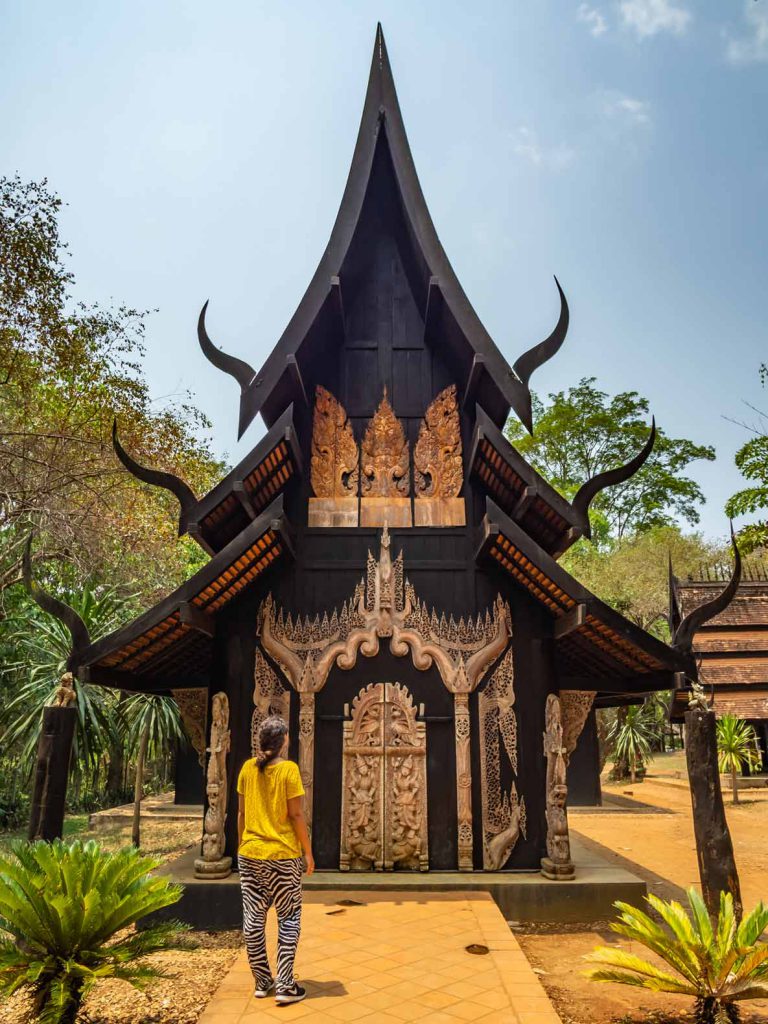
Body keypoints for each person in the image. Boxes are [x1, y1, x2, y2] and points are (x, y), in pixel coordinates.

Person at [237, 715, 314, 1004]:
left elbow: (242, 814)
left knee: (253, 919)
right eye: (288, 737)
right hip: (283, 855)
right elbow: (295, 815)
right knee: (289, 916)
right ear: (282, 740)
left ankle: (262, 981)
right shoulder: (289, 770)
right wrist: (307, 852)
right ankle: (285, 984)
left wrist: (241, 844)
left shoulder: (247, 768)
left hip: (250, 854)